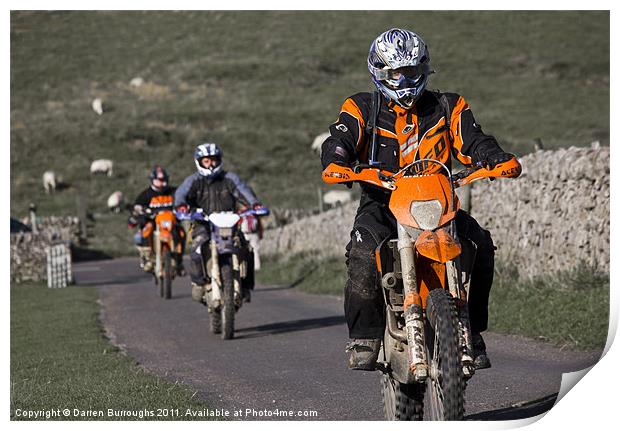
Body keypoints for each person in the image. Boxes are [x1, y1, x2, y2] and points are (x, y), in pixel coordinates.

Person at [320, 28, 515, 371]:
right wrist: (338, 162)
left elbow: (473, 141)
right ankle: (365, 336)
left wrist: (494, 157)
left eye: (410, 71)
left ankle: (473, 329)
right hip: (382, 202)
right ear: (379, 72)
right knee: (364, 253)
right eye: (395, 72)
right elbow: (340, 141)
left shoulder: (448, 105)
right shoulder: (361, 106)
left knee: (480, 245)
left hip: (437, 202)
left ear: (424, 70)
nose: (403, 80)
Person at [175, 143, 263, 304]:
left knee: (246, 249)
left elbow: (243, 190)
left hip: (229, 223)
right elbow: (181, 194)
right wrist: (181, 205)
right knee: (196, 249)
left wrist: (254, 204)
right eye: (206, 161)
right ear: (199, 162)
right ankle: (200, 283)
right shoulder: (193, 181)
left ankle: (246, 287)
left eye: (214, 160)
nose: (211, 164)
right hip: (203, 223)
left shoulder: (229, 178)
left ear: (219, 160)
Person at [129, 165, 186, 275]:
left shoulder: (173, 191)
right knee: (146, 231)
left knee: (182, 233)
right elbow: (137, 206)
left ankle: (179, 261)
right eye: (160, 180)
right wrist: (140, 210)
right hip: (154, 223)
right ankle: (148, 258)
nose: (163, 183)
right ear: (153, 180)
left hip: (171, 223)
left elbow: (183, 199)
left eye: (165, 180)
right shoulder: (146, 194)